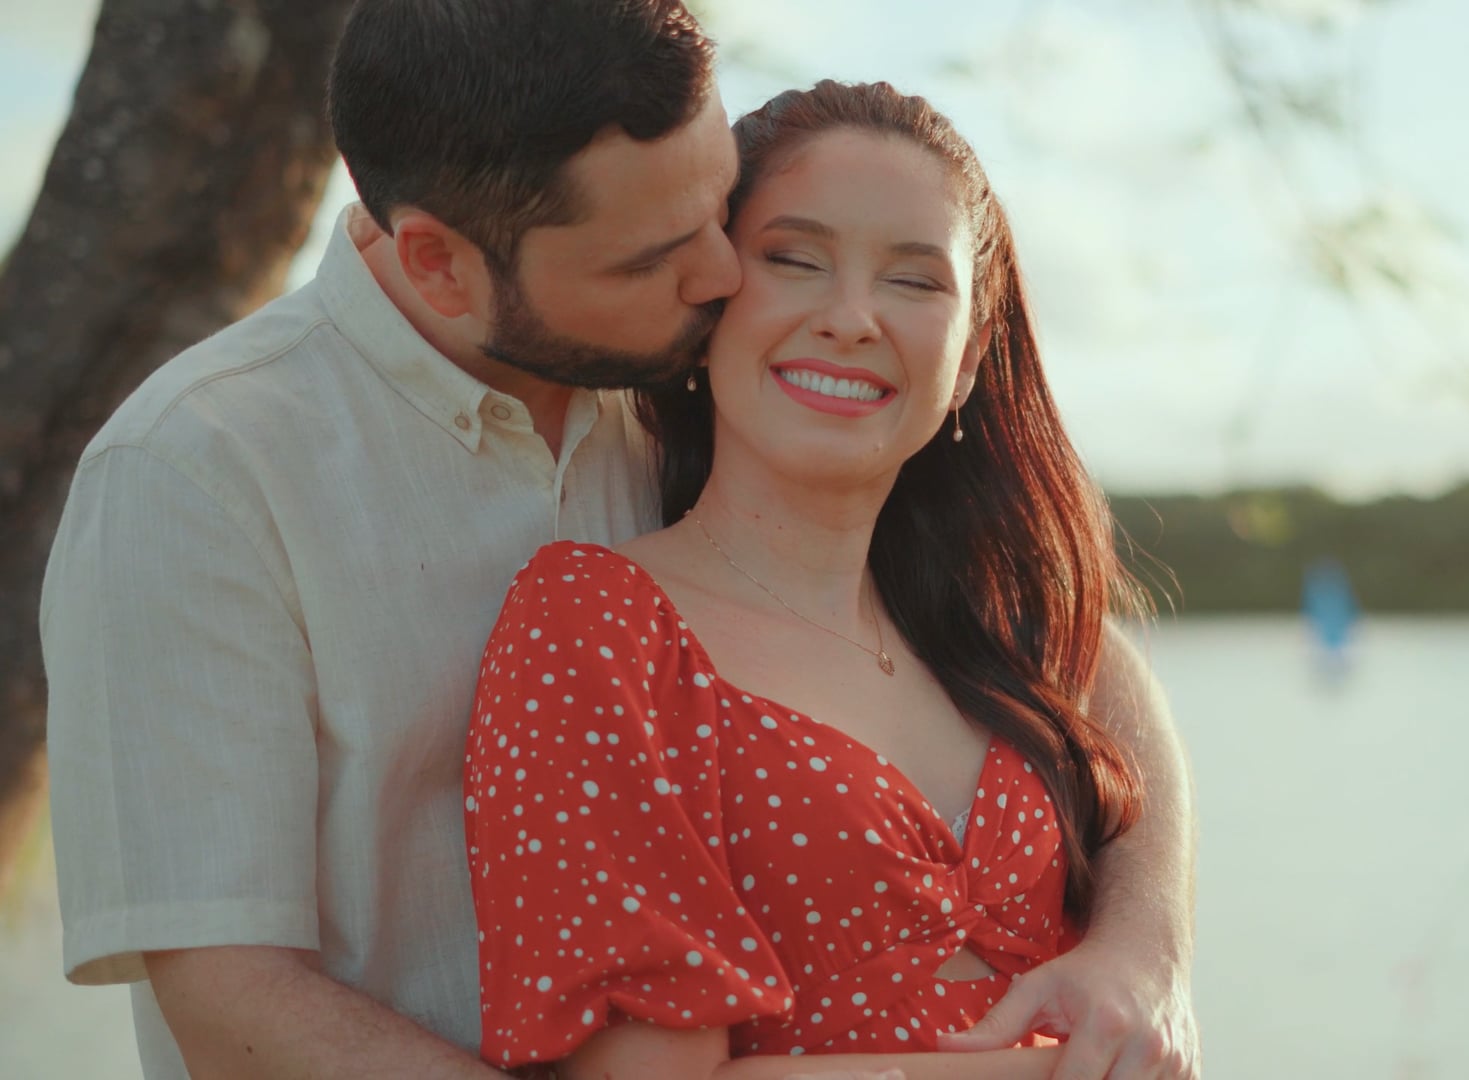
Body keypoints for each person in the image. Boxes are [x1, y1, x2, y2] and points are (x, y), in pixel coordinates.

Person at [38, 2, 1197, 1079]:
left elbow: (1068, 649)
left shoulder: (687, 379)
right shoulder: (199, 472)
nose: (720, 273)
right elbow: (232, 1001)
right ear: (441, 263)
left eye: (718, 209)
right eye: (654, 253)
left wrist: (1143, 945)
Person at [465, 79, 1173, 1080]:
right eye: (795, 260)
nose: (850, 318)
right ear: (708, 303)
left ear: (970, 357)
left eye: (914, 281)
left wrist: (1143, 949)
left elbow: (1122, 694)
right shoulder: (596, 623)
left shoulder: (984, 624)